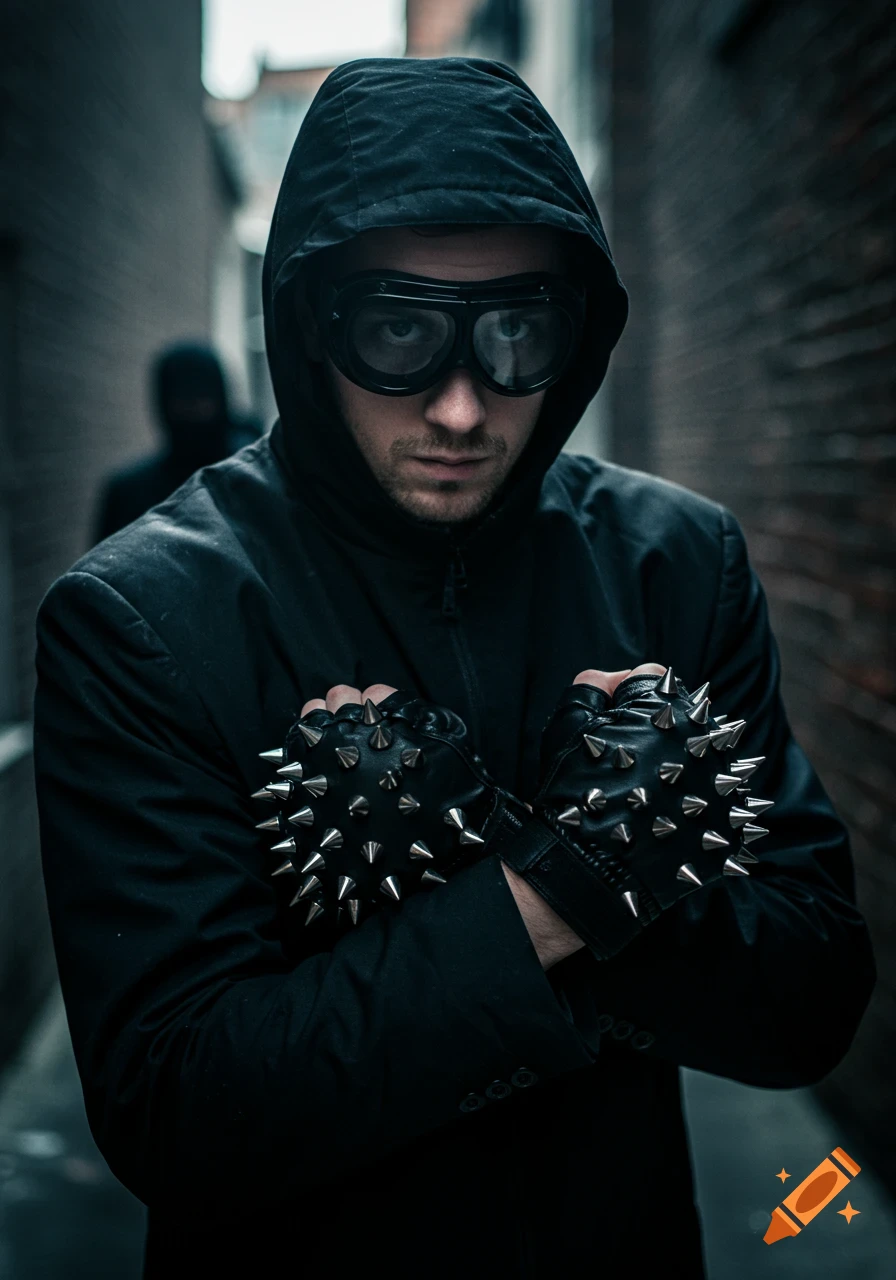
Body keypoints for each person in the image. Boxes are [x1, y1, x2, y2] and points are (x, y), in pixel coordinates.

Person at [33, 58, 875, 1278]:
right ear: (312, 324)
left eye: (516, 331)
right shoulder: (144, 615)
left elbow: (809, 991)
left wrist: (481, 878)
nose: (464, 409)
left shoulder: (674, 564)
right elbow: (181, 1100)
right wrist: (582, 878)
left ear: (574, 331)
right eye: (399, 331)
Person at [93, 340, 260, 543]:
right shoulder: (128, 493)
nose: (194, 411)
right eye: (182, 401)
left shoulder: (249, 483)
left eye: (202, 399)